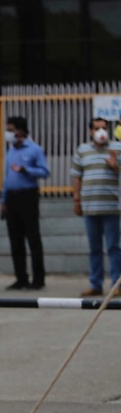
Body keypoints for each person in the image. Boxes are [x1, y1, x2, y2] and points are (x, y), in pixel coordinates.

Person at [71, 117, 121, 297]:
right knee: (94, 248)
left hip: (111, 207)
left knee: (114, 247)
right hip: (90, 207)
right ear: (90, 131)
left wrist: (115, 166)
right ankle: (96, 284)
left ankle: (117, 285)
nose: (101, 132)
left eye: (104, 128)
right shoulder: (82, 150)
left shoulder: (117, 148)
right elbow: (77, 176)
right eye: (97, 128)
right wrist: (76, 200)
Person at [0, 116, 50, 290]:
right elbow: (7, 177)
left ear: (20, 131)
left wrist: (26, 170)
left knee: (33, 238)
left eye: (11, 130)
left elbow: (44, 172)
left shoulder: (34, 149)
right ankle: (21, 277)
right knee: (15, 239)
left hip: (28, 196)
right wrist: (4, 200)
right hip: (12, 197)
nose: (8, 133)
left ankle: (38, 278)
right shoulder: (11, 151)